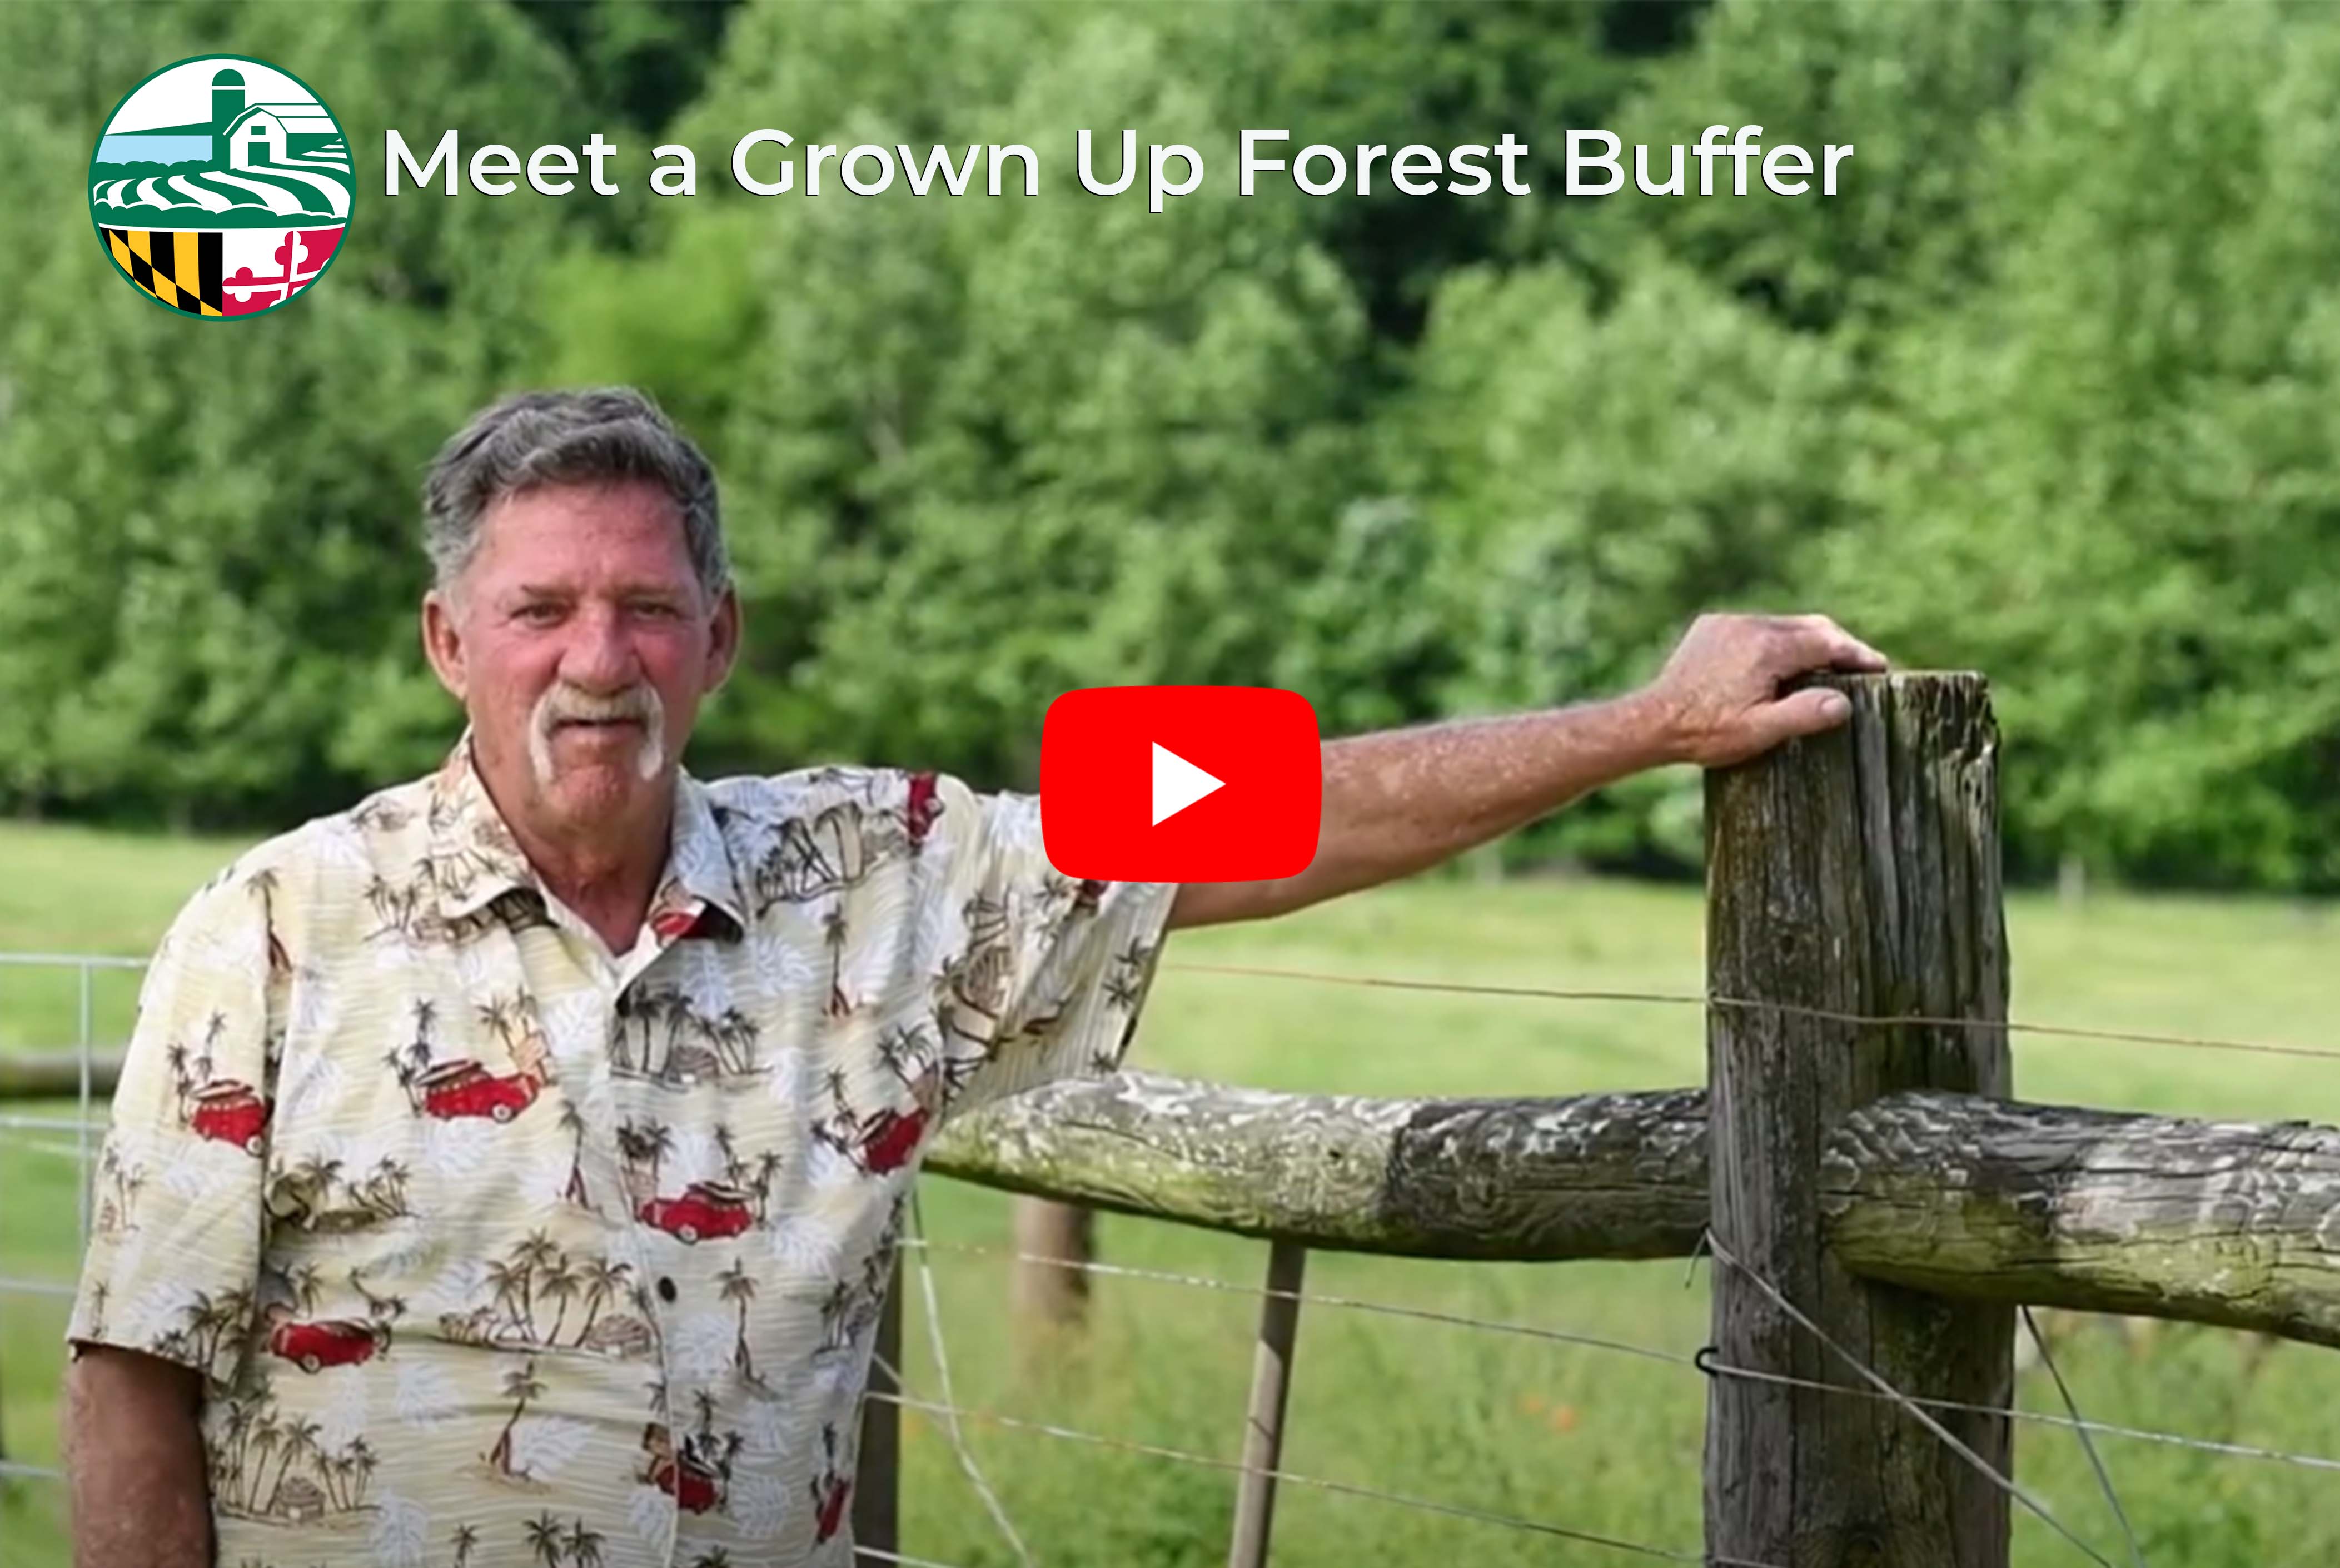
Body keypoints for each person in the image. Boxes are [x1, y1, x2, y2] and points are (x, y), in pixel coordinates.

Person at [60, 387, 1884, 1568]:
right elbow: (134, 1377)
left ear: (720, 641)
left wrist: (1648, 723)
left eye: (646, 609)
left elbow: (1256, 804)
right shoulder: (277, 925)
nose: (594, 659)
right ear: (451, 642)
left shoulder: (875, 872)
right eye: (540, 611)